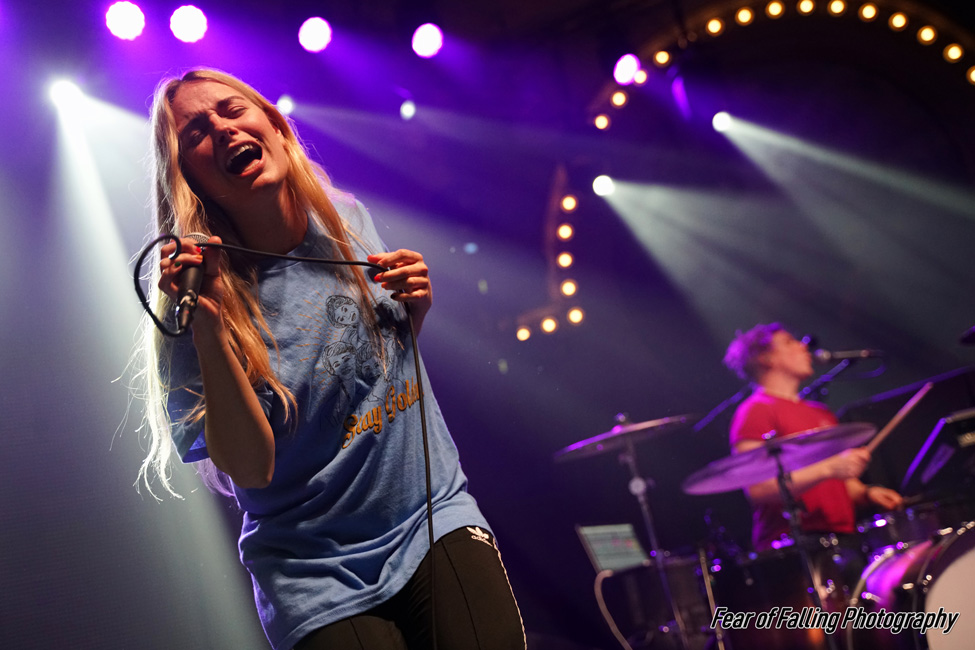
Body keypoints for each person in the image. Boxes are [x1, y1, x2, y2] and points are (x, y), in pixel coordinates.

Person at [136, 68, 525, 650]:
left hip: (431, 518)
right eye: (195, 131)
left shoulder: (345, 220)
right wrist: (212, 332)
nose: (220, 128)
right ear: (187, 177)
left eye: (232, 110)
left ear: (273, 123)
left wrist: (414, 308)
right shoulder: (193, 304)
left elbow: (375, 359)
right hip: (314, 571)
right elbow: (249, 469)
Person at [723, 323, 903, 551]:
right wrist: (828, 468)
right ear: (765, 358)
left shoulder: (821, 412)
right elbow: (757, 489)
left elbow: (842, 483)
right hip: (791, 547)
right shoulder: (755, 411)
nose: (802, 346)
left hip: (844, 539)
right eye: (789, 342)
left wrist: (867, 493)